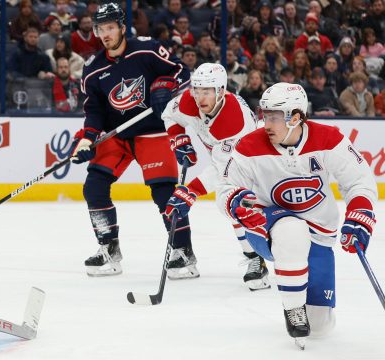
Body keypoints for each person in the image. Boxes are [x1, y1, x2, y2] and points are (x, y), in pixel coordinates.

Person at [216, 82, 377, 346]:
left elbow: (359, 180)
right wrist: (236, 202)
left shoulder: (329, 139)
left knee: (321, 328)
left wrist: (360, 213)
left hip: (319, 233)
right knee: (292, 229)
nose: (266, 123)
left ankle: (307, 307)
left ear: (296, 117)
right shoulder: (249, 145)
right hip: (265, 225)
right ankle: (293, 307)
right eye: (264, 114)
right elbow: (225, 188)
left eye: (274, 117)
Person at [70, 3, 189, 276]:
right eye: (100, 29)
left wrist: (165, 86)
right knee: (94, 188)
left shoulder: (147, 49)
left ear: (123, 27)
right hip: (119, 135)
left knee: (164, 194)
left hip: (153, 131)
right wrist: (87, 139)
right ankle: (109, 249)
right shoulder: (93, 69)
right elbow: (94, 112)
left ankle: (184, 252)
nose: (105, 34)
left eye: (110, 27)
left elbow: (181, 72)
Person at [159, 63, 268, 288]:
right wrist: (178, 139)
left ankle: (258, 258)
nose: (199, 97)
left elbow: (224, 170)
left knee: (243, 207)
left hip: (256, 162)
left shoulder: (234, 120)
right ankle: (254, 256)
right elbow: (170, 113)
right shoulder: (190, 101)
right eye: (196, 90)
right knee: (233, 208)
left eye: (206, 91)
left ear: (220, 91)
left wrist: (191, 191)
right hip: (227, 161)